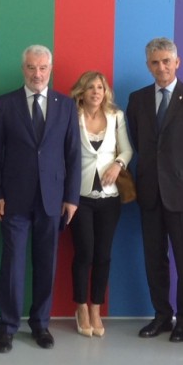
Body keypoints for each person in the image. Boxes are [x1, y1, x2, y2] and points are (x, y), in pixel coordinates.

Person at [0, 45, 80, 353]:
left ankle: (40, 324)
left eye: (42, 68)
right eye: (31, 67)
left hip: (53, 200)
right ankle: (7, 327)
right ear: (23, 69)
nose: (36, 74)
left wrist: (71, 197)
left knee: (46, 264)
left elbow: (73, 155)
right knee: (13, 264)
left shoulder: (66, 106)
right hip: (14, 199)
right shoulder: (5, 104)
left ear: (50, 69)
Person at [126, 37, 183, 343]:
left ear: (177, 62)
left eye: (166, 61)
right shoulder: (137, 99)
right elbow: (138, 142)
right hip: (149, 192)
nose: (161, 67)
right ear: (148, 65)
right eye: (155, 62)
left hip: (182, 193)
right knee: (154, 258)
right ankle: (162, 315)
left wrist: (181, 173)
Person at [68, 71, 132, 338]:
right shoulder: (71, 115)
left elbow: (127, 149)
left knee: (103, 255)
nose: (96, 92)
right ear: (81, 92)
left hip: (110, 197)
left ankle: (96, 308)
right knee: (84, 253)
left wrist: (118, 165)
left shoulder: (116, 116)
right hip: (79, 196)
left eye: (100, 87)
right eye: (91, 87)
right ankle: (81, 307)